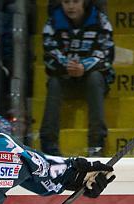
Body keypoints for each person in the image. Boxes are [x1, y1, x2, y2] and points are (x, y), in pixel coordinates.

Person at [39, 0, 115, 158]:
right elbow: (49, 54)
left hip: (93, 77)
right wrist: (68, 66)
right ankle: (48, 144)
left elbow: (107, 54)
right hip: (64, 76)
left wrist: (84, 67)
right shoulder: (52, 22)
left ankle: (96, 143)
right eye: (66, 1)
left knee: (95, 78)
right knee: (54, 82)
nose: (71, 6)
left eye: (75, 1)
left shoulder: (101, 21)